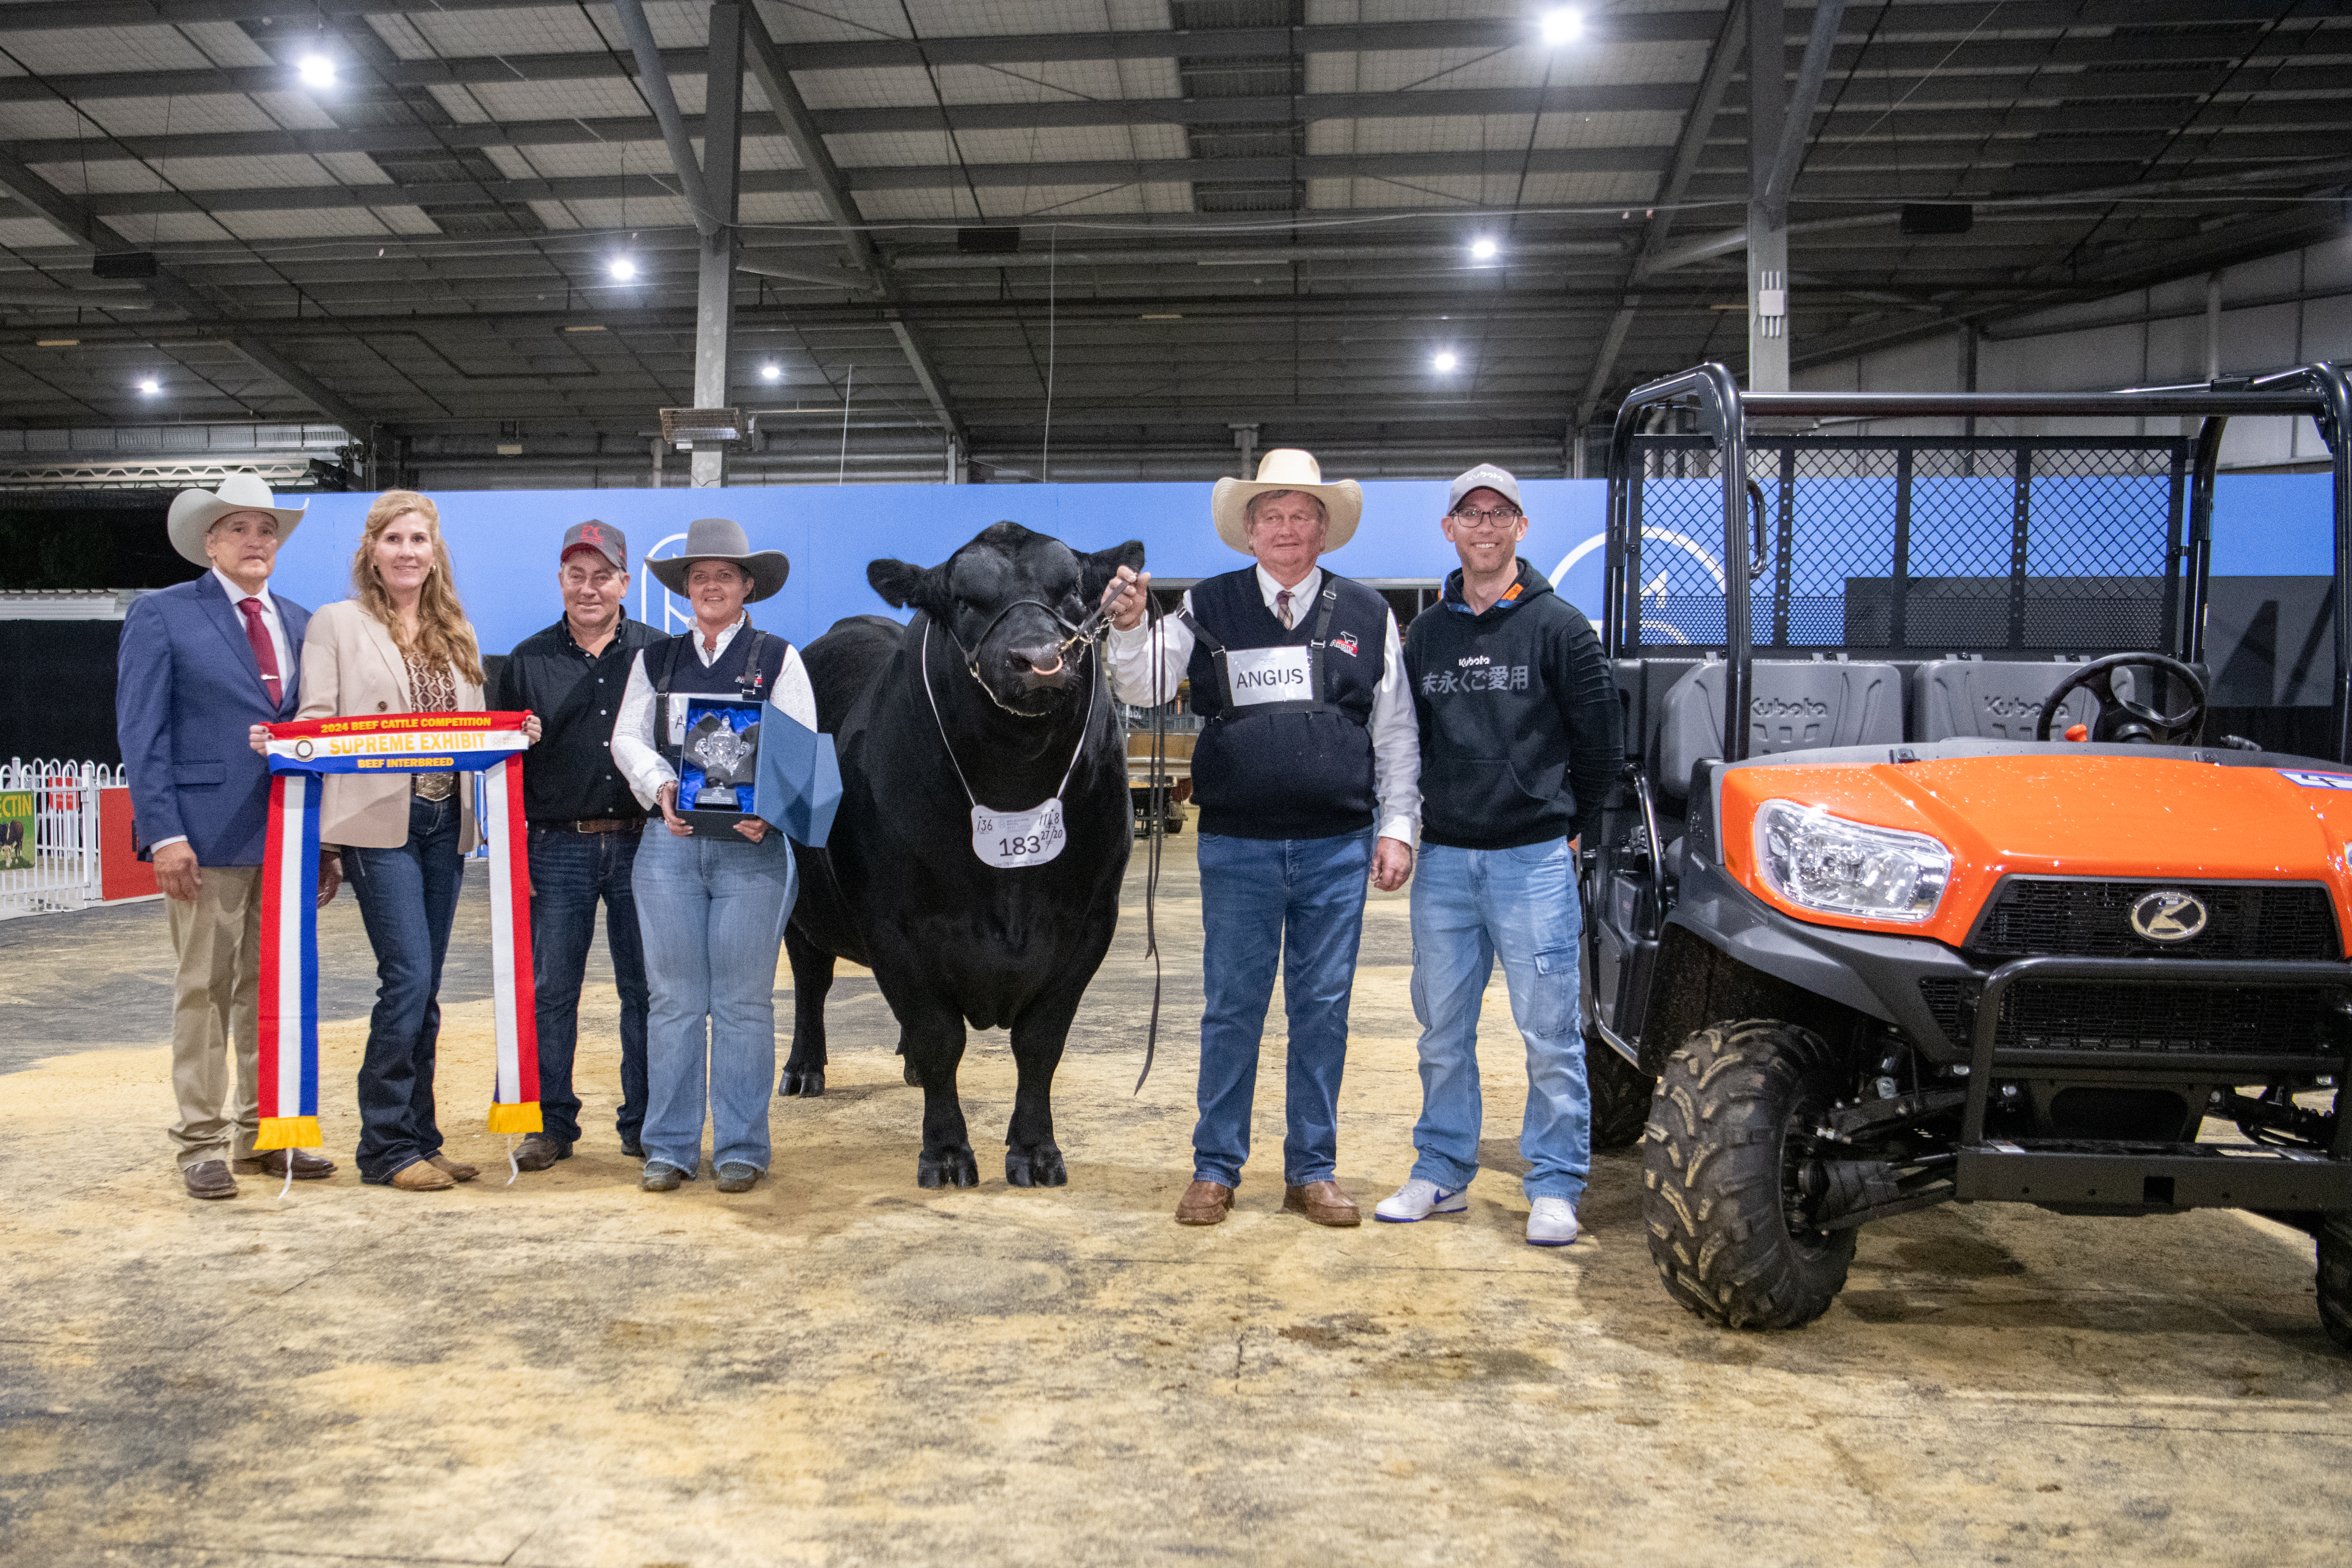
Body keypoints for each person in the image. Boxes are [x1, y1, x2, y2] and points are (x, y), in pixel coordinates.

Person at [1103, 449, 1419, 1229]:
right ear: (1249, 532)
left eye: (1301, 515)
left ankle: (1311, 1170)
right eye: (1272, 515)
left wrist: (1398, 825)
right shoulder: (1204, 605)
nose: (1287, 529)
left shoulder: (1368, 614)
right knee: (1232, 1007)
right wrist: (1128, 626)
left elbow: (1398, 733)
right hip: (1237, 845)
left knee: (1323, 1009)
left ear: (1324, 531)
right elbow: (1143, 684)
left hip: (1338, 846)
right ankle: (1215, 1167)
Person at [1373, 464, 1625, 1246]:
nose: (1484, 528)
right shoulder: (1428, 637)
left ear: (1520, 526)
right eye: (1469, 515)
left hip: (1532, 862)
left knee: (1549, 1033)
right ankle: (1442, 1170)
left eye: (1499, 514)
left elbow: (1601, 748)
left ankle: (1554, 1182)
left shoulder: (1562, 628)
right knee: (1441, 1031)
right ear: (1448, 530)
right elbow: (1408, 743)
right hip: (1446, 864)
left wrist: (1565, 824)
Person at [288, 490, 538, 1192]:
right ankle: (386, 1146)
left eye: (419, 539)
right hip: (376, 822)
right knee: (407, 979)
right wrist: (323, 839)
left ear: (435, 553)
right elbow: (316, 723)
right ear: (372, 550)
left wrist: (514, 737)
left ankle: (422, 1138)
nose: (407, 551)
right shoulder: (336, 624)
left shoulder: (452, 628)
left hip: (442, 823)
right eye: (394, 538)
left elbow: (473, 734)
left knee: (424, 989)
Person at [117, 475, 338, 1200]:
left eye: (266, 529)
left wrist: (327, 842)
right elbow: (141, 732)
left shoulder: (304, 622)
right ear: (210, 542)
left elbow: (321, 737)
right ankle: (200, 1140)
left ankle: (264, 1130)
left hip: (288, 834)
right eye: (239, 528)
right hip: (202, 839)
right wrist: (164, 831)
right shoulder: (163, 615)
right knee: (202, 990)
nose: (255, 541)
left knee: (270, 992)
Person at [609, 517, 814, 1196]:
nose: (711, 586)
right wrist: (662, 784)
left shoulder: (778, 656)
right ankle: (667, 1146)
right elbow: (627, 738)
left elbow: (799, 744)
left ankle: (741, 1146)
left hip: (752, 854)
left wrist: (769, 806)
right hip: (669, 847)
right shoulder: (656, 660)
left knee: (743, 1003)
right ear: (685, 588)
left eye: (724, 575)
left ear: (747, 584)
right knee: (671, 999)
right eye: (699, 576)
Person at [489, 522, 664, 1171]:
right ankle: (548, 1123)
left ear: (624, 582)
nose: (589, 588)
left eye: (602, 575)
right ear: (560, 581)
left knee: (645, 991)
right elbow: (500, 765)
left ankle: (645, 1122)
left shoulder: (658, 653)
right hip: (555, 847)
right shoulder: (525, 661)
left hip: (642, 843)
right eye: (576, 575)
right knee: (550, 989)